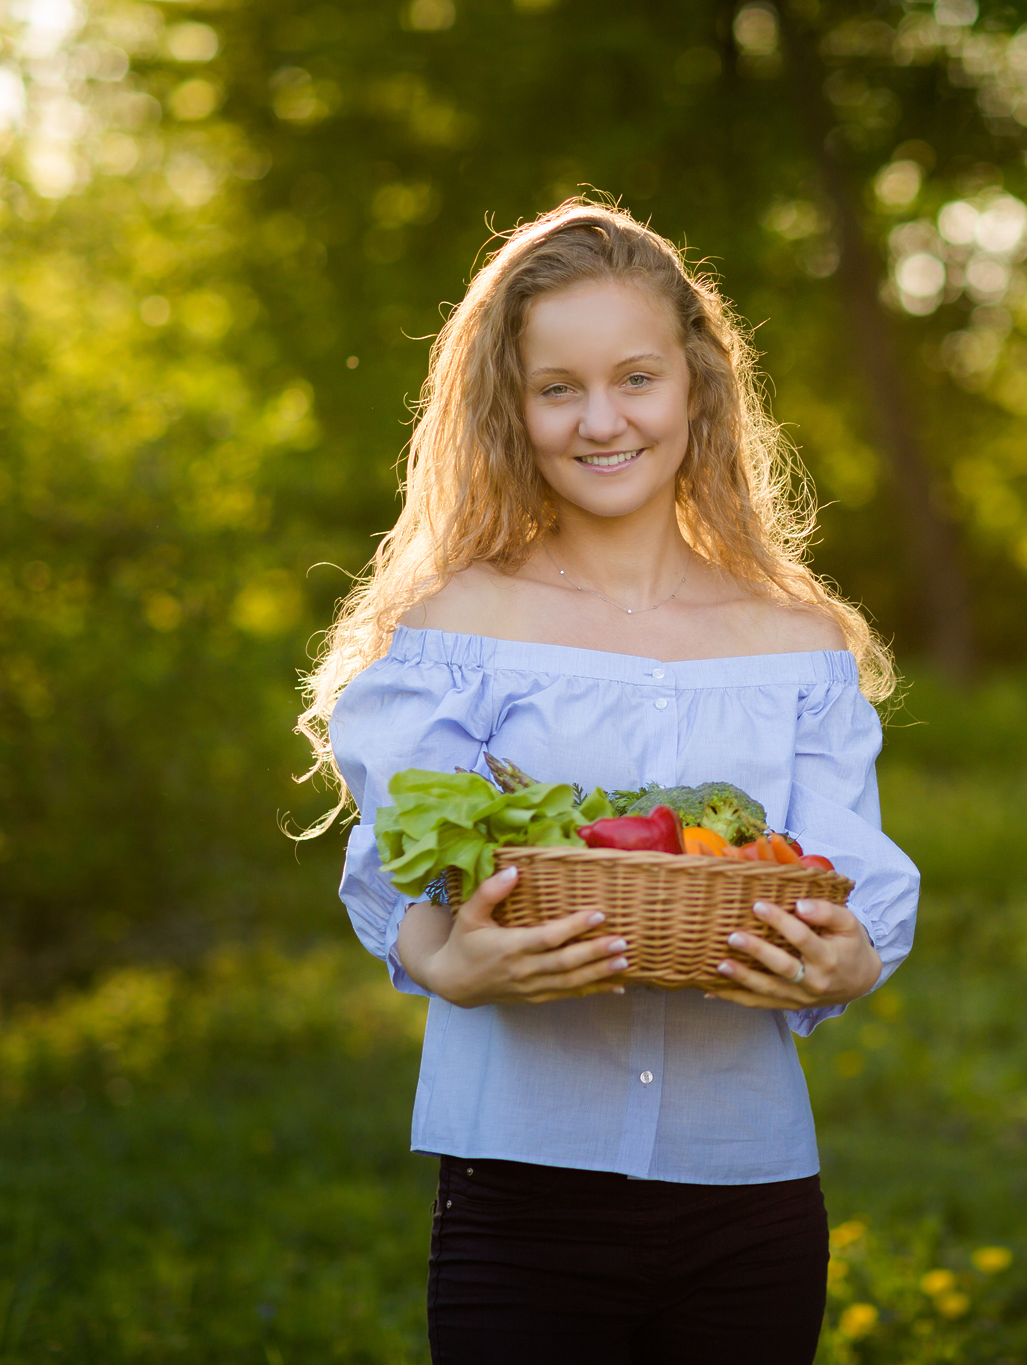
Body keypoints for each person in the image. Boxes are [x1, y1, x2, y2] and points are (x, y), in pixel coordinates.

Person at [296, 198, 919, 1363]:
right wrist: (451, 966)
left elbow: (849, 884)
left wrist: (851, 961)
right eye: (557, 388)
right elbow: (401, 875)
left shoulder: (795, 645)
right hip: (523, 1189)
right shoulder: (459, 631)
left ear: (695, 386)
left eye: (634, 378)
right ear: (510, 407)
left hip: (751, 1190)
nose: (600, 421)